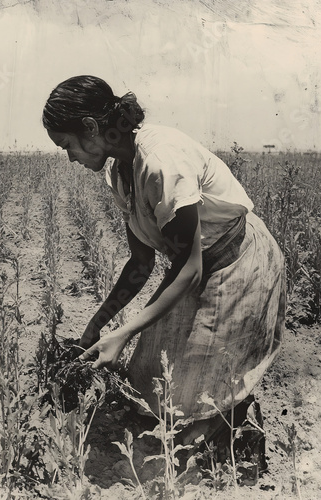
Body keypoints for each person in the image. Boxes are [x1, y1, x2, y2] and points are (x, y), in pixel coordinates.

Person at [42, 75, 285, 453]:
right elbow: (141, 264)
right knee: (153, 385)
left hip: (237, 262)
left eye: (67, 145)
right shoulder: (121, 171)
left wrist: (123, 334)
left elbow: (191, 269)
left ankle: (235, 420)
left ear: (90, 127)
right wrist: (95, 328)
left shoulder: (160, 162)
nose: (70, 156)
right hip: (198, 266)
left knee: (195, 410)